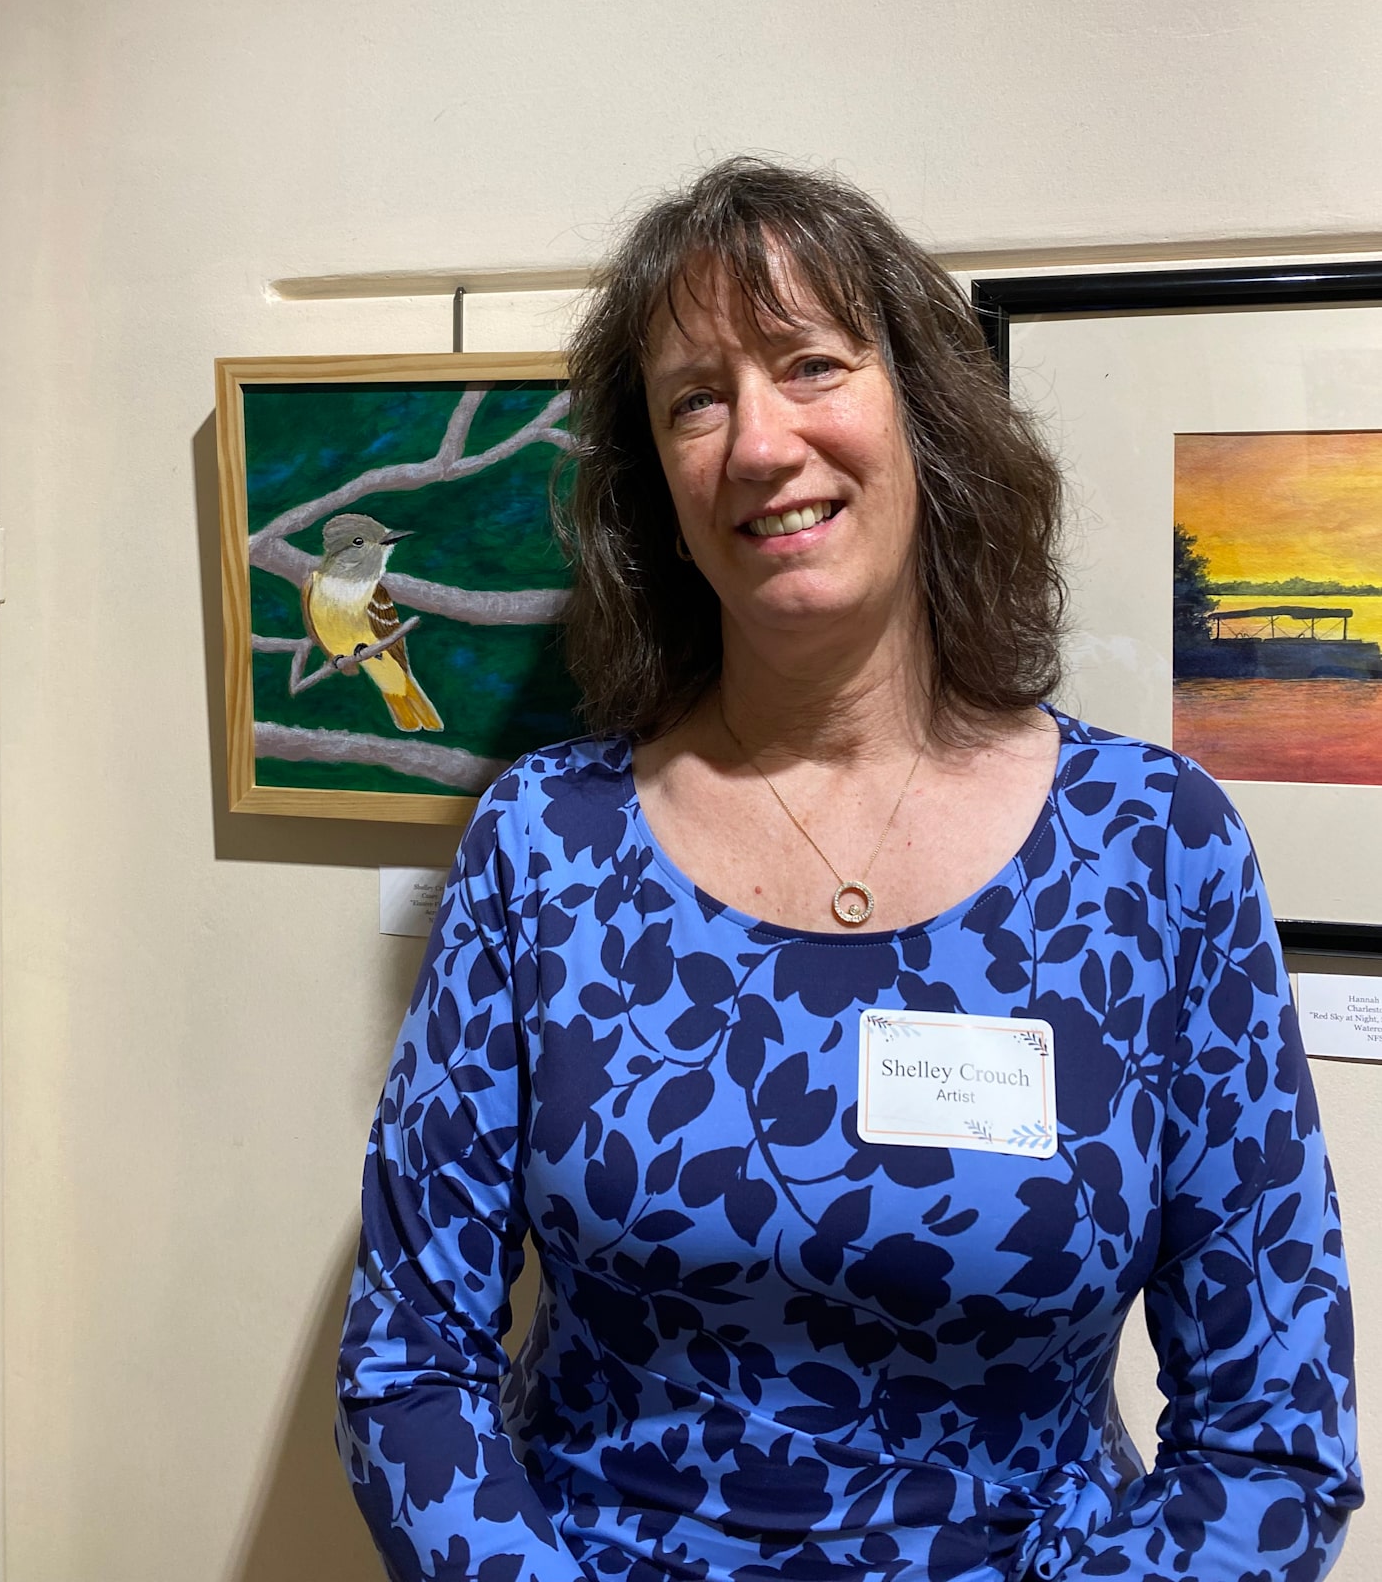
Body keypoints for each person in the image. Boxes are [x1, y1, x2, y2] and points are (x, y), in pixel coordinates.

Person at [336, 159, 1361, 1582]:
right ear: (657, 488)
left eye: (812, 364)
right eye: (696, 400)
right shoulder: (543, 844)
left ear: (925, 418)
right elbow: (408, 1367)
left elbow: (1274, 1434)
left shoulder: (1158, 849)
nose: (761, 442)